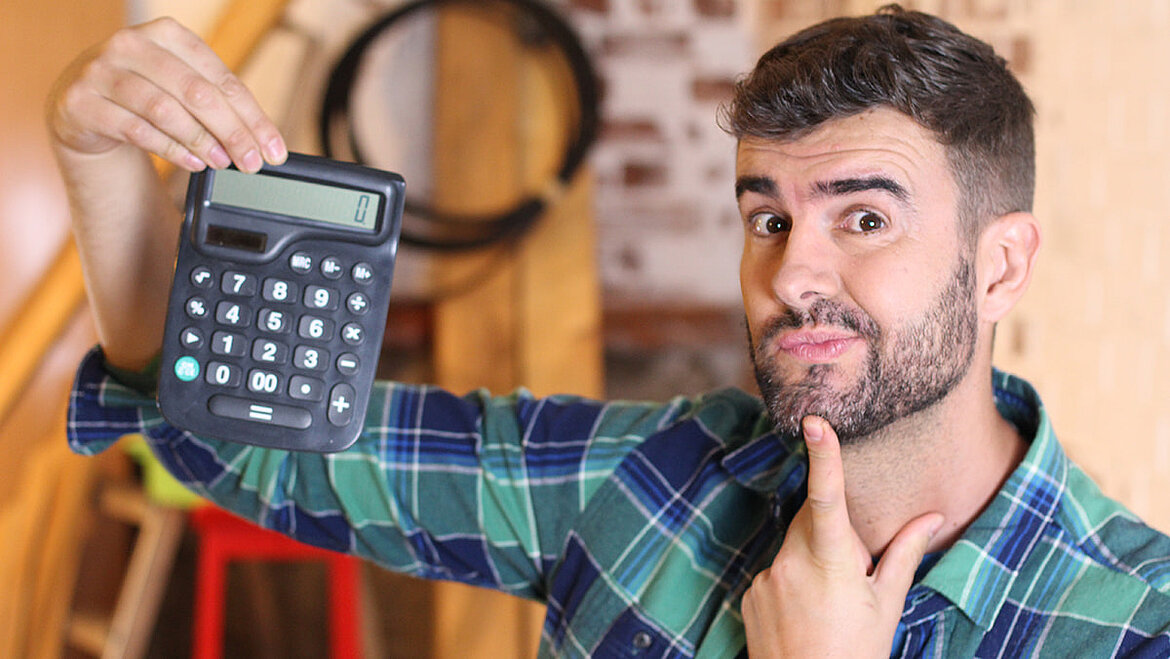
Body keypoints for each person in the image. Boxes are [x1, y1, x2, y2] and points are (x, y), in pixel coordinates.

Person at [49, 5, 1170, 657]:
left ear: (1001, 262)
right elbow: (230, 430)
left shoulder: (1133, 622)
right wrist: (98, 159)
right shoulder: (645, 480)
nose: (794, 273)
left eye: (865, 216)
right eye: (768, 216)